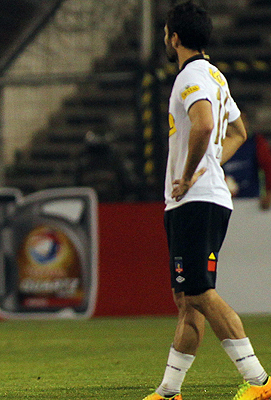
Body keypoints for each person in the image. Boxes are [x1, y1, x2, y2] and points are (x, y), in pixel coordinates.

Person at [143, 2, 271, 400]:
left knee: (197, 290)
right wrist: (211, 162)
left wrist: (187, 173)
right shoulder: (215, 75)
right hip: (201, 197)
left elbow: (202, 124)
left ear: (175, 38)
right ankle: (169, 392)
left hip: (195, 200)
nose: (165, 38)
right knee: (187, 299)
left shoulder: (191, 76)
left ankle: (260, 381)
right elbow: (238, 130)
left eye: (166, 32)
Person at [223, 112, 271, 210]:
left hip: (252, 202)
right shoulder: (219, 144)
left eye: (240, 121)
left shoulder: (256, 142)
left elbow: (268, 167)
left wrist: (269, 192)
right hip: (226, 201)